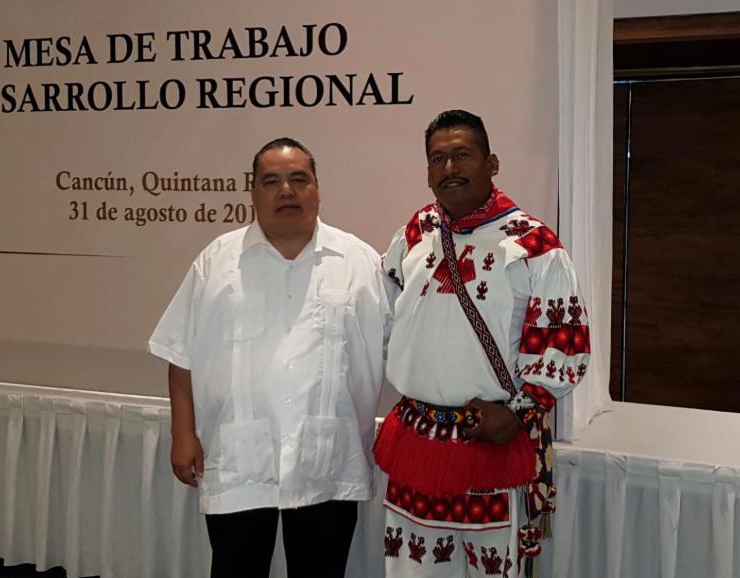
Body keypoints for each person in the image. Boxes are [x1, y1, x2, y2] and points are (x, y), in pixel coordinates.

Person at [148, 137, 391, 578]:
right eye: (271, 181)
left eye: (299, 179)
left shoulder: (360, 262)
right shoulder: (217, 262)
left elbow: (401, 351)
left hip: (327, 460)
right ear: (253, 192)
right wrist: (182, 433)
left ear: (317, 188)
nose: (286, 191)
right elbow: (180, 353)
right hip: (240, 457)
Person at [373, 110, 590, 577]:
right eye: (437, 159)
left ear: (492, 164)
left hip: (490, 440)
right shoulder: (416, 231)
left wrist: (520, 412)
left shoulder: (533, 245)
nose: (449, 168)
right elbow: (385, 314)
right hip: (419, 439)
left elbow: (564, 341)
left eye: (462, 155)